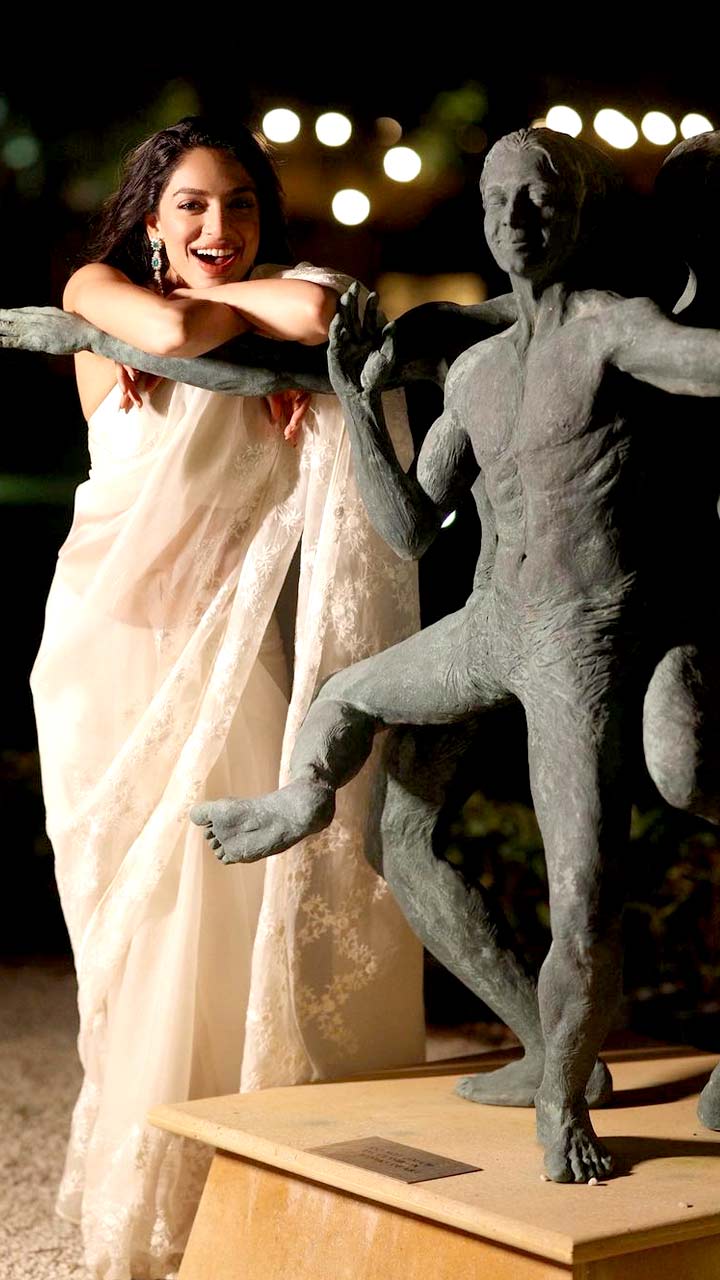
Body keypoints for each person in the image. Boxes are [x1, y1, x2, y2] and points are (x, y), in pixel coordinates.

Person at [191, 127, 720, 1183]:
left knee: (583, 894)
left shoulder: (615, 329)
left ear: (576, 211)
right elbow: (409, 529)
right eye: (497, 202)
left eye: (538, 199)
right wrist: (354, 399)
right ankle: (304, 798)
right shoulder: (475, 368)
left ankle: (562, 1103)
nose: (515, 220)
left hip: (581, 638)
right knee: (348, 711)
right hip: (491, 625)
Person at [28, 116, 425, 1280]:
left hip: (226, 654)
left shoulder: (278, 295)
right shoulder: (93, 288)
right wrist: (249, 323)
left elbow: (322, 310)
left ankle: (244, 1186)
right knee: (133, 925)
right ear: (149, 217)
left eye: (241, 204)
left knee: (238, 912)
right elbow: (161, 330)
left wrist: (246, 313)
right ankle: (149, 1180)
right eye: (193, 205)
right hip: (107, 647)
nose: (218, 225)